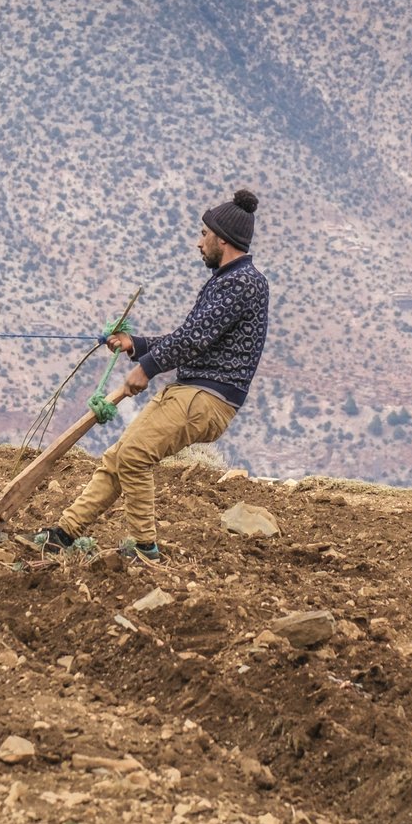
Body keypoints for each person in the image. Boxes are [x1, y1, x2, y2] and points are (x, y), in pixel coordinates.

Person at [35, 189, 269, 563]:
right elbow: (191, 336)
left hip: (205, 398)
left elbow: (193, 339)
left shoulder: (241, 283)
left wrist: (147, 368)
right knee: (118, 457)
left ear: (222, 239)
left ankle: (146, 550)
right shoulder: (228, 281)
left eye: (204, 234)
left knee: (134, 456)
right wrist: (136, 344)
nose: (199, 242)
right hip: (192, 393)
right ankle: (62, 534)